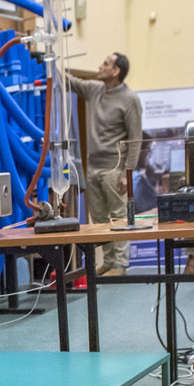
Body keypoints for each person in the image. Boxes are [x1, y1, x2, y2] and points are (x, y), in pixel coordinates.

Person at [65, 52, 144, 276]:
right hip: (93, 166)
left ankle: (120, 265)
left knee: (118, 217)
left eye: (106, 64)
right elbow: (72, 82)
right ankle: (109, 262)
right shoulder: (95, 90)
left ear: (116, 71)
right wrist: (51, 63)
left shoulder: (130, 99)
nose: (100, 66)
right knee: (99, 219)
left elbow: (135, 138)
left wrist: (127, 173)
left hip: (114, 169)